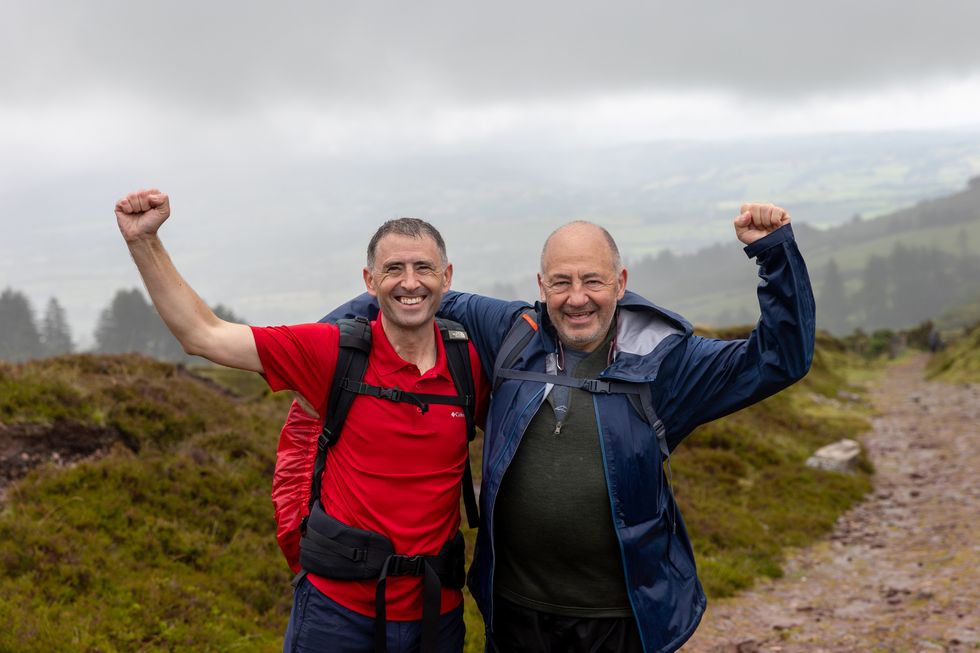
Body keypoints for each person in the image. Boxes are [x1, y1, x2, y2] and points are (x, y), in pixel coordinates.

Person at [321, 204, 815, 653]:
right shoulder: (513, 333)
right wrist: (323, 356)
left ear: (620, 283)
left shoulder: (668, 362)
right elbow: (411, 296)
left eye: (592, 281)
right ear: (541, 287)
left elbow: (780, 359)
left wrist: (773, 256)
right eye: (561, 282)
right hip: (516, 614)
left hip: (620, 619)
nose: (577, 298)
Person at [114, 188, 489, 653]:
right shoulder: (330, 351)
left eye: (423, 268)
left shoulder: (469, 363)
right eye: (393, 269)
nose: (409, 282)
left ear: (446, 277)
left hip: (437, 613)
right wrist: (143, 241)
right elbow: (203, 335)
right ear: (369, 281)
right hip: (336, 613)